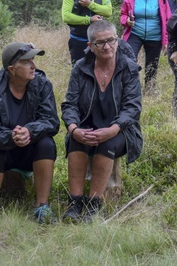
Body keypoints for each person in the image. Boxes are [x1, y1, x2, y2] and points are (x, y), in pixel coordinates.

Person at [61, 20, 143, 223]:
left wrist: (112, 130)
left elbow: (132, 108)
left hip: (122, 131)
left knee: (106, 143)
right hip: (87, 126)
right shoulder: (80, 68)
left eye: (111, 40)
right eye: (100, 43)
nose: (107, 46)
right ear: (90, 46)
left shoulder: (128, 68)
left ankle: (93, 204)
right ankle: (75, 203)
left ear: (117, 40)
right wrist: (73, 128)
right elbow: (69, 104)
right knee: (75, 141)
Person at [0, 42, 60, 223]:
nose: (34, 66)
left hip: (31, 151)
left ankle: (42, 206)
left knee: (47, 144)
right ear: (12, 69)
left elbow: (51, 121)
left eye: (33, 60)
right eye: (27, 62)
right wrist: (11, 136)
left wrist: (29, 131)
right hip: (6, 153)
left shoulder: (42, 85)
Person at [119, 0, 171, 94]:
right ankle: (130, 88)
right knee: (128, 60)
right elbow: (123, 15)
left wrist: (166, 39)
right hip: (135, 33)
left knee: (152, 65)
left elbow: (168, 18)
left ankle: (149, 91)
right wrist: (127, 21)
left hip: (155, 35)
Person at [62, 0, 113, 64]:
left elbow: (108, 11)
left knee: (99, 70)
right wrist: (89, 20)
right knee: (79, 72)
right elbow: (66, 16)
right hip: (78, 39)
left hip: (99, 41)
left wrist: (90, 4)